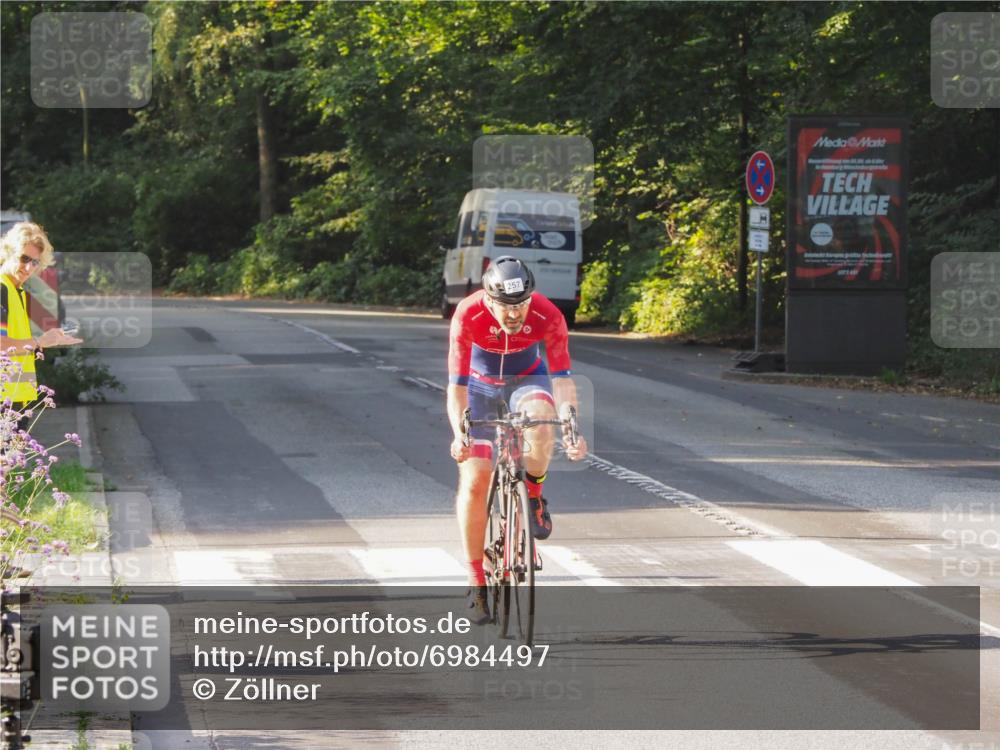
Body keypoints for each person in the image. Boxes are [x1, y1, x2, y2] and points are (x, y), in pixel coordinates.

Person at [446, 256, 588, 624]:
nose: (513, 314)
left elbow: (562, 379)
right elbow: (456, 387)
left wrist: (571, 426)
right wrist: (460, 433)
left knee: (541, 422)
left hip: (527, 380)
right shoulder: (468, 313)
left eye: (521, 304)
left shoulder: (547, 314)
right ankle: (477, 581)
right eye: (505, 306)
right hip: (478, 387)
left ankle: (534, 496)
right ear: (488, 299)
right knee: (475, 479)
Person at [1, 222, 82, 408]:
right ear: (8, 253)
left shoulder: (15, 290)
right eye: (24, 258)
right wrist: (39, 342)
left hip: (14, 400)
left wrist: (50, 340)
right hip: (5, 402)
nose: (29, 268)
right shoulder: (2, 289)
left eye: (35, 262)